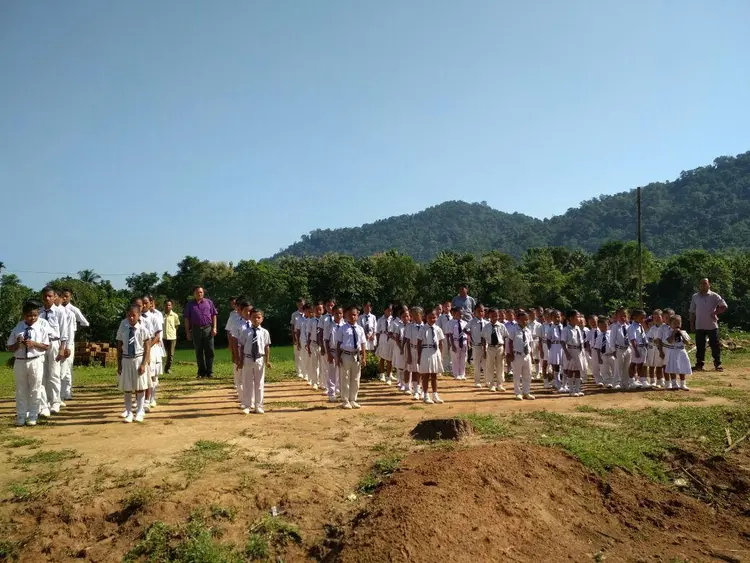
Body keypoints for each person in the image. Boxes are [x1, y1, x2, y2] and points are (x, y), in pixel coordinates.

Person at [8, 301, 51, 426]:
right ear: (24, 315)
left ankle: (33, 415)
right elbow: (10, 347)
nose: (32, 318)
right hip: (20, 361)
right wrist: (18, 344)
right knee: (21, 389)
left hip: (35, 360)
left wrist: (34, 344)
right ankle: (21, 415)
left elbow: (46, 346)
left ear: (38, 315)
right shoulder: (18, 328)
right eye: (29, 316)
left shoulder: (41, 327)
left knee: (35, 388)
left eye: (35, 315)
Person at [116, 304, 152, 423]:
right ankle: (129, 412)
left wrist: (143, 364)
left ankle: (140, 411)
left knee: (140, 387)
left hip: (138, 359)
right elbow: (119, 347)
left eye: (134, 315)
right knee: (127, 388)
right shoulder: (123, 329)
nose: (131, 318)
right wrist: (119, 365)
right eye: (129, 315)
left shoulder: (143, 330)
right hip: (126, 360)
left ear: (139, 315)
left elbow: (147, 348)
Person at [38, 287, 70, 415]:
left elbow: (64, 332)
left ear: (54, 297)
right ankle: (44, 403)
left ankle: (55, 402)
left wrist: (62, 348)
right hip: (40, 345)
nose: (47, 298)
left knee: (54, 373)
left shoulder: (59, 312)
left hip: (54, 343)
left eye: (50, 296)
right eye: (45, 296)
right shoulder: (38, 312)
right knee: (42, 374)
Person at [237, 307, 272, 414]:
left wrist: (267, 360)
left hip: (259, 359)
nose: (256, 319)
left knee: (259, 383)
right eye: (253, 317)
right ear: (250, 318)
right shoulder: (245, 332)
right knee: (247, 383)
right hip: (248, 358)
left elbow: (267, 347)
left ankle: (259, 405)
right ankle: (247, 405)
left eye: (258, 317)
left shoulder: (265, 332)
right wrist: (240, 361)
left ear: (262, 318)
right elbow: (241, 347)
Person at [689, 278, 728, 372]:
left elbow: (724, 306)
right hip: (699, 325)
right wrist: (691, 324)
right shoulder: (695, 297)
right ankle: (699, 365)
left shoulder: (714, 296)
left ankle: (717, 364)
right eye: (701, 283)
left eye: (705, 283)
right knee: (700, 346)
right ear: (699, 285)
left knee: (715, 345)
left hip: (712, 325)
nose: (703, 285)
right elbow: (692, 311)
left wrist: (715, 313)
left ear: (709, 285)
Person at [60, 287, 89, 401]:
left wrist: (74, 328)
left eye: (66, 296)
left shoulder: (73, 310)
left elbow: (85, 323)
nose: (64, 298)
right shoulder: (57, 309)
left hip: (69, 342)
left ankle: (67, 392)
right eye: (62, 296)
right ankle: (59, 392)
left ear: (70, 297)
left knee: (67, 367)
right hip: (59, 342)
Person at [335, 306, 367, 409]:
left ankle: (353, 399)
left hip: (356, 356)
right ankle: (345, 400)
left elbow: (363, 344)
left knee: (356, 378)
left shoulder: (360, 329)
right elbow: (338, 344)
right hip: (346, 355)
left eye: (354, 315)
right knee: (345, 378)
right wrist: (338, 357)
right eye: (349, 315)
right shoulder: (342, 328)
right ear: (346, 316)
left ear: (357, 315)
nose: (352, 317)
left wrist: (364, 357)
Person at [183, 286, 218, 379]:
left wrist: (214, 328)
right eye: (198, 292)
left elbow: (214, 315)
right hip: (196, 329)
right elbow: (186, 319)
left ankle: (210, 372)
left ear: (203, 293)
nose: (199, 294)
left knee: (210, 351)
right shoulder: (189, 305)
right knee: (198, 351)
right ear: (194, 294)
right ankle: (201, 372)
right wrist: (187, 332)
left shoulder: (209, 302)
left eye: (201, 292)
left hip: (208, 328)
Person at [417, 309, 445, 405]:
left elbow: (440, 343)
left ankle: (435, 395)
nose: (432, 319)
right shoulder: (422, 329)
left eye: (434, 317)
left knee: (434, 375)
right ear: (426, 318)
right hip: (425, 351)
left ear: (437, 317)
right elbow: (419, 343)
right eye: (430, 317)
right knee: (426, 375)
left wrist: (440, 354)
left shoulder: (438, 329)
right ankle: (425, 395)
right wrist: (419, 356)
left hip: (435, 352)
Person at [482, 308, 509, 392]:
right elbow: (483, 339)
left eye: (496, 315)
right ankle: (491, 384)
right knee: (490, 366)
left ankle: (499, 384)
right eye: (493, 315)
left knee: (500, 366)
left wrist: (505, 350)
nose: (495, 317)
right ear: (489, 315)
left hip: (500, 347)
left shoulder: (502, 326)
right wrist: (484, 350)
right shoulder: (486, 326)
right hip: (490, 347)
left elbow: (505, 338)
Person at [665, 315, 692, 390]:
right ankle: (674, 383)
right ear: (670, 324)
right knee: (672, 367)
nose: (677, 325)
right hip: (673, 351)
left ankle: (683, 384)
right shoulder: (668, 332)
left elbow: (687, 343)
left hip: (681, 351)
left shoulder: (683, 332)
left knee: (682, 366)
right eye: (674, 323)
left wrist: (681, 334)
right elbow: (669, 341)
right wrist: (673, 333)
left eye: (678, 323)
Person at [561, 310, 584, 397]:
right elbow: (563, 342)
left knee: (578, 370)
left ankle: (577, 389)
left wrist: (581, 349)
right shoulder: (566, 329)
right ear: (571, 318)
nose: (579, 319)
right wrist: (566, 353)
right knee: (570, 370)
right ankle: (571, 390)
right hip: (570, 350)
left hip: (578, 351)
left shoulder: (578, 328)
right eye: (577, 317)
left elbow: (580, 340)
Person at [324, 305, 344, 403]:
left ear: (343, 314)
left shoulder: (345, 326)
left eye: (340, 313)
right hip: (332, 351)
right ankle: (331, 392)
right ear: (333, 314)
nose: (338, 315)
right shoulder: (329, 325)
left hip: (342, 351)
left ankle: (340, 390)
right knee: (332, 372)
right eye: (336, 313)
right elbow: (326, 340)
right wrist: (328, 353)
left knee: (341, 372)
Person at [405, 307, 425, 400]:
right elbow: (408, 342)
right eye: (412, 314)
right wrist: (409, 355)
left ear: (420, 315)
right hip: (413, 349)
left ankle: (421, 388)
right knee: (414, 370)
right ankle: (415, 391)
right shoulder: (410, 326)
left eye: (415, 314)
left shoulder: (425, 326)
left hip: (423, 350)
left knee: (422, 370)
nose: (413, 316)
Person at [628, 309, 649, 389]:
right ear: (635, 317)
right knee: (633, 364)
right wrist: (636, 350)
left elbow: (643, 336)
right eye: (641, 318)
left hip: (642, 347)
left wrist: (646, 345)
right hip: (636, 347)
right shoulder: (632, 327)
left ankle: (642, 380)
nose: (643, 319)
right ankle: (632, 381)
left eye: (644, 318)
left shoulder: (640, 326)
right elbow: (632, 339)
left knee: (641, 364)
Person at [468, 303, 487, 388]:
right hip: (476, 345)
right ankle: (477, 381)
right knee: (477, 364)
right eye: (478, 311)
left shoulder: (486, 323)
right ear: (474, 312)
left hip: (486, 346)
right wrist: (471, 335)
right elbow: (465, 329)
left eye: (482, 311)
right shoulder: (472, 322)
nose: (480, 313)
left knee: (486, 364)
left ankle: (487, 381)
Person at [646, 310, 665, 388]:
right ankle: (652, 381)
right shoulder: (652, 328)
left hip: (660, 349)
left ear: (662, 317)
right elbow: (648, 338)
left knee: (660, 365)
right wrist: (653, 340)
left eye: (658, 317)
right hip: (652, 349)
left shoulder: (664, 327)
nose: (656, 319)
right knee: (651, 365)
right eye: (654, 318)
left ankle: (660, 381)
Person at [448, 307, 468, 380]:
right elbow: (450, 334)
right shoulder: (451, 323)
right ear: (454, 314)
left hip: (464, 341)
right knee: (455, 359)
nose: (461, 315)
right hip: (455, 341)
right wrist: (452, 345)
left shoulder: (465, 323)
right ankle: (456, 374)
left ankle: (462, 374)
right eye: (459, 314)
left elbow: (467, 333)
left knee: (463, 358)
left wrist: (468, 343)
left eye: (462, 314)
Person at [375, 305, 393, 382]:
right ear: (384, 310)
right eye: (388, 310)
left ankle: (389, 374)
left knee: (390, 358)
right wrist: (377, 342)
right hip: (382, 338)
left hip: (390, 339)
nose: (390, 312)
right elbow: (377, 331)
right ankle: (382, 374)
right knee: (382, 357)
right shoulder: (380, 320)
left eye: (391, 310)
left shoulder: (393, 319)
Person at [162, 299, 180, 374]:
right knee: (161, 354)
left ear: (172, 306)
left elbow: (176, 326)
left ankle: (167, 369)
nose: (167, 306)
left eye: (169, 305)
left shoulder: (175, 315)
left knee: (170, 354)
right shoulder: (160, 315)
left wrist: (172, 332)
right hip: (162, 337)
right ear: (164, 306)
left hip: (172, 337)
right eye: (166, 305)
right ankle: (160, 368)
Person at [290, 298, 306, 378]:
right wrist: (294, 338)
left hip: (305, 337)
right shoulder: (294, 314)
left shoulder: (308, 313)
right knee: (298, 355)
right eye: (299, 304)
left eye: (302, 304)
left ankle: (305, 371)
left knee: (305, 355)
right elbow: (292, 327)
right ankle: (299, 372)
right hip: (297, 336)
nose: (300, 306)